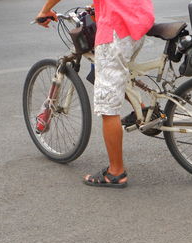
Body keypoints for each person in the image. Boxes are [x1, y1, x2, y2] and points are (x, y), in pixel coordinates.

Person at [36, 0, 155, 188]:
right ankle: (141, 109)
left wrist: (46, 10)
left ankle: (115, 173)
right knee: (118, 75)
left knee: (107, 107)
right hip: (138, 21)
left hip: (116, 28)